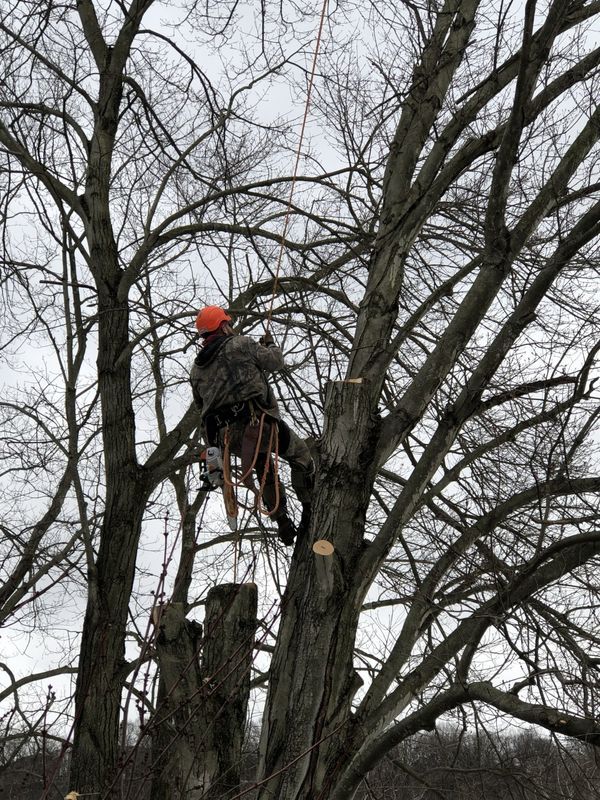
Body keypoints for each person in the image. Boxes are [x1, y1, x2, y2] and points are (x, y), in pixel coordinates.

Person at [190, 305, 314, 545]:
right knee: (301, 455)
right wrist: (269, 345)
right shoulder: (241, 344)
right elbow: (275, 362)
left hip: (230, 439)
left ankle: (282, 521)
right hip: (259, 426)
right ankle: (309, 506)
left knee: (264, 467)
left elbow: (200, 408)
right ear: (223, 325)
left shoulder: (196, 370)